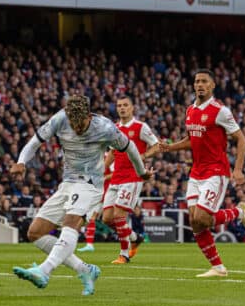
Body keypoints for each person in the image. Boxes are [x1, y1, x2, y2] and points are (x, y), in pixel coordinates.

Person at [10, 95, 151, 295]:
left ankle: (44, 271)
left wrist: (141, 171)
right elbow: (35, 142)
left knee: (71, 222)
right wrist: (21, 161)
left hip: (90, 185)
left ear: (88, 116)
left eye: (80, 123)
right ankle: (85, 270)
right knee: (35, 232)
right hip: (67, 183)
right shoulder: (60, 119)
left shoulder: (105, 127)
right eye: (72, 122)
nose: (76, 127)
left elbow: (130, 147)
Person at [160, 69, 245, 278]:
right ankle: (218, 268)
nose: (200, 84)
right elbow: (190, 141)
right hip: (196, 172)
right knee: (194, 221)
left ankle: (239, 212)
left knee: (203, 217)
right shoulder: (190, 110)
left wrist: (238, 169)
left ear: (212, 85)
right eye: (197, 81)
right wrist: (169, 147)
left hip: (216, 171)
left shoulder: (220, 110)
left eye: (204, 81)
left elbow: (241, 139)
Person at [98, 96, 160, 263]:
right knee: (107, 219)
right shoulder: (114, 128)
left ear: (132, 108)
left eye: (125, 105)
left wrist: (144, 155)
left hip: (133, 177)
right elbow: (112, 152)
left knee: (119, 216)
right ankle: (134, 237)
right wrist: (102, 168)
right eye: (119, 106)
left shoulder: (140, 127)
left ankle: (124, 254)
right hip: (116, 177)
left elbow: (157, 145)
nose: (122, 108)